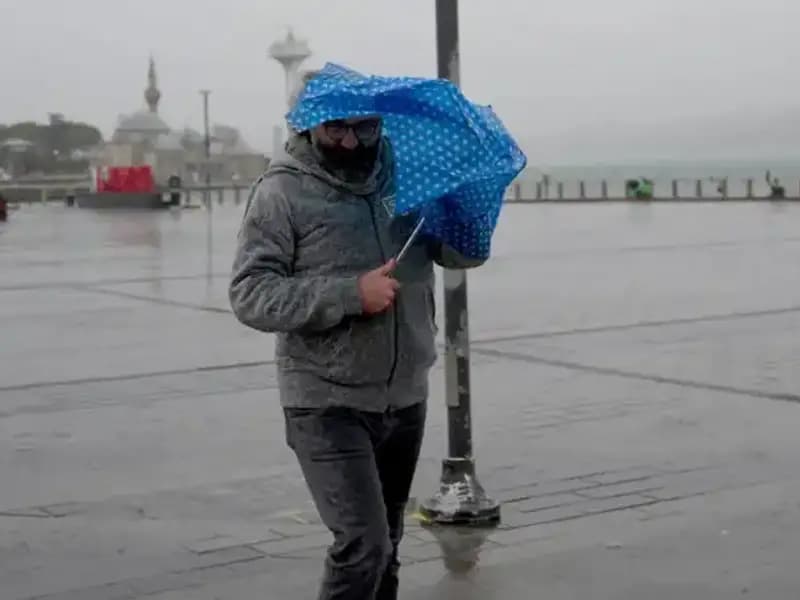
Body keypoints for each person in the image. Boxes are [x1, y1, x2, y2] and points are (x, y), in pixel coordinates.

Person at [228, 80, 485, 599]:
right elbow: (250, 293)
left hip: (404, 395)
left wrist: (465, 219)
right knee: (363, 545)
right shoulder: (282, 192)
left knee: (388, 544)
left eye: (363, 127)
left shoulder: (409, 177)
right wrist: (351, 294)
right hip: (326, 401)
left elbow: (459, 257)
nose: (350, 140)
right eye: (336, 128)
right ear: (308, 123)